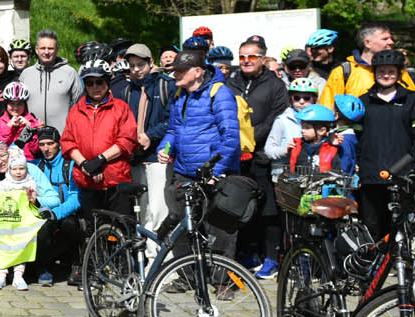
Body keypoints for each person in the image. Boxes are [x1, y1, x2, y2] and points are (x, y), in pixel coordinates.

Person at [157, 50, 241, 256]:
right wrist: (164, 148)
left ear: (197, 71)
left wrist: (216, 171)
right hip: (184, 172)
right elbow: (173, 130)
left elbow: (230, 136)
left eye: (180, 70)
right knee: (181, 224)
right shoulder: (179, 94)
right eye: (174, 70)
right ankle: (187, 278)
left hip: (212, 174)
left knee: (219, 230)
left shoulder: (219, 93)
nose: (175, 74)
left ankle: (223, 283)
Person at [228, 38, 289, 278]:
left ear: (263, 59)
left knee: (268, 211)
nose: (245, 61)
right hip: (237, 156)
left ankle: (272, 257)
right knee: (242, 209)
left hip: (263, 155)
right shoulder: (232, 82)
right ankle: (248, 253)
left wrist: (251, 140)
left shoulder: (275, 85)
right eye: (242, 56)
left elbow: (276, 116)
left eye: (251, 57)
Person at [354, 49, 415, 241]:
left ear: (398, 73)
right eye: (381, 71)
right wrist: (353, 162)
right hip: (371, 173)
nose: (386, 75)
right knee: (372, 224)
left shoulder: (411, 100)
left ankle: (403, 265)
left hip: (402, 173)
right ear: (374, 72)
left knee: (402, 224)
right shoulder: (363, 101)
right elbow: (355, 136)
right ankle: (375, 267)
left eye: (391, 71)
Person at [61, 64, 139, 218]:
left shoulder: (120, 107)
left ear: (107, 84)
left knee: (120, 227)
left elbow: (127, 139)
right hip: (87, 179)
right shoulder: (76, 110)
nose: (95, 87)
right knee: (93, 229)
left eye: (99, 82)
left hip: (115, 178)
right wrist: (85, 164)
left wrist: (100, 160)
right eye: (90, 83)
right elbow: (68, 142)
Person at [113, 44, 172, 241]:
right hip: (136, 157)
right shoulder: (130, 91)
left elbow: (172, 119)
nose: (136, 70)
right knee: (142, 209)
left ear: (151, 63)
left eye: (140, 65)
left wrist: (150, 135)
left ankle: (161, 260)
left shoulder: (165, 85)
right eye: (132, 66)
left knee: (158, 209)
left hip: (158, 155)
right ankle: (147, 256)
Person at [0, 145, 58, 291]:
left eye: (2, 156)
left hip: (28, 220)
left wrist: (36, 200)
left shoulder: (30, 172)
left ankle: (38, 266)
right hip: (5, 221)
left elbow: (54, 199)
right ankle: (2, 272)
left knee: (42, 228)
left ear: (10, 155)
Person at [30, 126, 83, 284]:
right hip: (44, 213)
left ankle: (77, 265)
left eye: (50, 143)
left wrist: (57, 213)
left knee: (69, 225)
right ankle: (42, 266)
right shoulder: (36, 166)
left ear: (59, 144)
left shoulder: (71, 165)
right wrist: (19, 142)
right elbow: (11, 161)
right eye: (42, 144)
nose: (46, 148)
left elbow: (77, 198)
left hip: (67, 214)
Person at [320, 23, 415, 108]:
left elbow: (413, 103)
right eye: (385, 39)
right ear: (367, 43)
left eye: (390, 38)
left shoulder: (398, 70)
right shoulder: (343, 72)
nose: (391, 42)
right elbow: (326, 108)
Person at [264, 76, 323, 179]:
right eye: (296, 97)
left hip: (312, 176)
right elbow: (269, 150)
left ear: (314, 99)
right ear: (291, 99)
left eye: (306, 98)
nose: (301, 101)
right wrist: (285, 150)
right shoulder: (282, 120)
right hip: (285, 177)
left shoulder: (320, 119)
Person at [23, 30, 79, 137]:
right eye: (43, 48)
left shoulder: (69, 73)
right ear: (37, 50)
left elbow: (80, 105)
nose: (46, 52)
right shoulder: (26, 74)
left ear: (57, 50)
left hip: (62, 139)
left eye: (50, 48)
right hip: (32, 139)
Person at [282, 104, 357, 175]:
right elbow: (289, 170)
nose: (302, 130)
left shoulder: (332, 149)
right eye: (302, 127)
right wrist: (287, 151)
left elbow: (341, 172)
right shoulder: (297, 146)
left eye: (307, 127)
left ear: (322, 131)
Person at [0, 81, 41, 155]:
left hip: (29, 161)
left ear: (25, 105)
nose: (15, 108)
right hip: (7, 162)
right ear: (6, 104)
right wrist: (8, 127)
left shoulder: (33, 121)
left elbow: (36, 150)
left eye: (20, 104)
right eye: (12, 103)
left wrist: (30, 127)